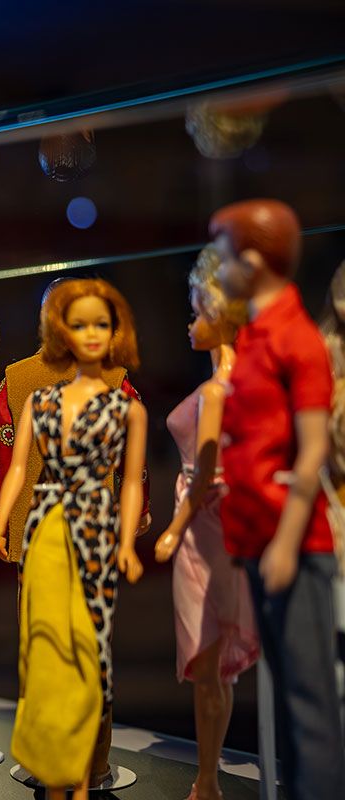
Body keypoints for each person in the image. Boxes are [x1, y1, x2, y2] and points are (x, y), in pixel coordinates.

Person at [0, 279, 147, 800]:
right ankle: (75, 762)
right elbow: (11, 461)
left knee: (68, 646)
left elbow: (130, 472)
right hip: (54, 527)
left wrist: (5, 520)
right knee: (64, 645)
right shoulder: (41, 387)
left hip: (73, 527)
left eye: (99, 322)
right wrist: (2, 521)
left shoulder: (23, 382)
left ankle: (71, 763)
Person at [212, 199, 345, 800]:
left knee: (310, 703)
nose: (220, 269)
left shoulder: (297, 339)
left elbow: (313, 449)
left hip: (292, 543)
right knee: (290, 698)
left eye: (225, 256)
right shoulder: (257, 334)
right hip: (257, 537)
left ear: (253, 260)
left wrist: (288, 543)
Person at [154, 247, 259, 800]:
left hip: (203, 531)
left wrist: (175, 527)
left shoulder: (219, 389)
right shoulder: (227, 382)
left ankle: (207, 779)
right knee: (215, 664)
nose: (190, 324)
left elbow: (205, 476)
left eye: (197, 313)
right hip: (214, 526)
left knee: (207, 658)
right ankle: (208, 776)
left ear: (218, 314)